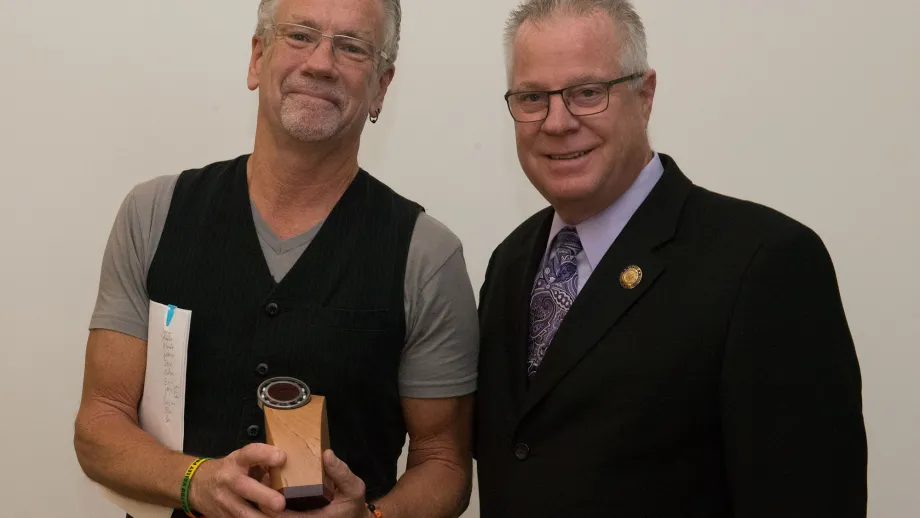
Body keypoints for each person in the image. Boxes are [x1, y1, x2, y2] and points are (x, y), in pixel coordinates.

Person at [73, 1, 478, 517]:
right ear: (257, 56)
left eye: (352, 47)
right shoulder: (152, 215)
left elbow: (445, 463)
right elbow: (99, 423)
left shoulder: (427, 256)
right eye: (300, 35)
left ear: (381, 86)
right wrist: (196, 482)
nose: (320, 62)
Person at [474, 0, 868, 516]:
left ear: (645, 95)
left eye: (587, 93)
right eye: (532, 97)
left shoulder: (764, 263)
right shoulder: (510, 262)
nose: (557, 121)